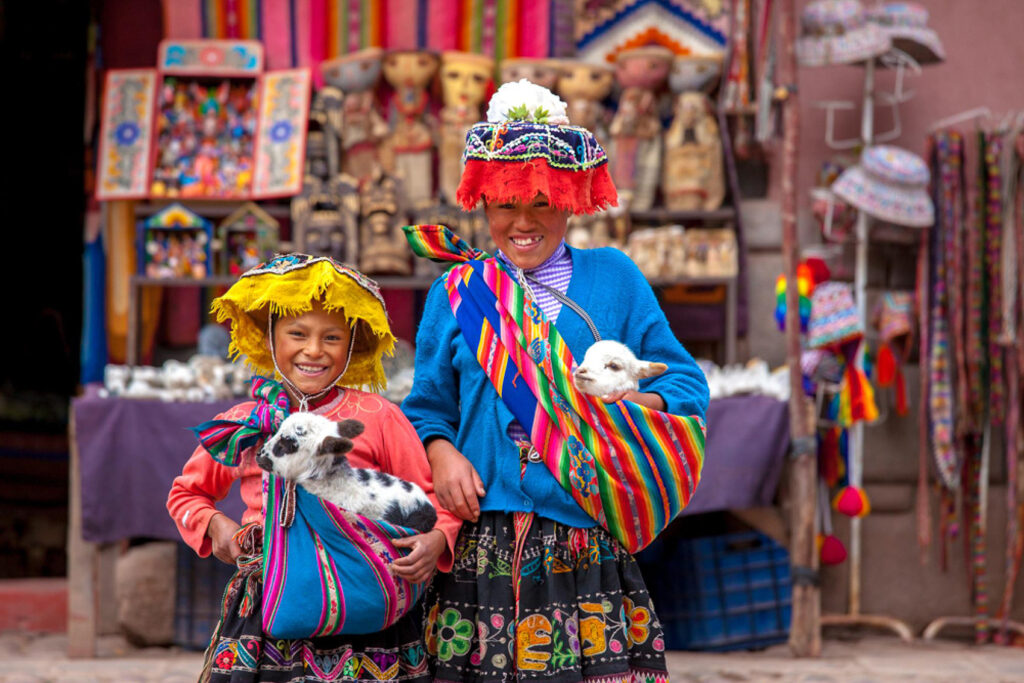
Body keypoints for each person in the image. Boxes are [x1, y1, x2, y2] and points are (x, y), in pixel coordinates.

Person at [402, 81, 709, 683]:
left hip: (585, 530)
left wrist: (624, 403)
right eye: (505, 204)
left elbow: (686, 388)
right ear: (483, 203)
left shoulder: (614, 279)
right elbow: (428, 406)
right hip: (481, 537)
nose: (523, 222)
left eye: (542, 202)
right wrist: (440, 454)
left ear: (570, 202)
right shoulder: (459, 292)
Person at [167, 254, 462, 682]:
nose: (313, 350)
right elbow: (185, 493)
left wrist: (437, 540)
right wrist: (217, 527)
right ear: (270, 338)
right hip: (268, 610)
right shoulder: (247, 423)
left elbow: (430, 497)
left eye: (332, 337)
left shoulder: (377, 417)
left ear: (352, 343)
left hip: (368, 608)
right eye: (297, 333)